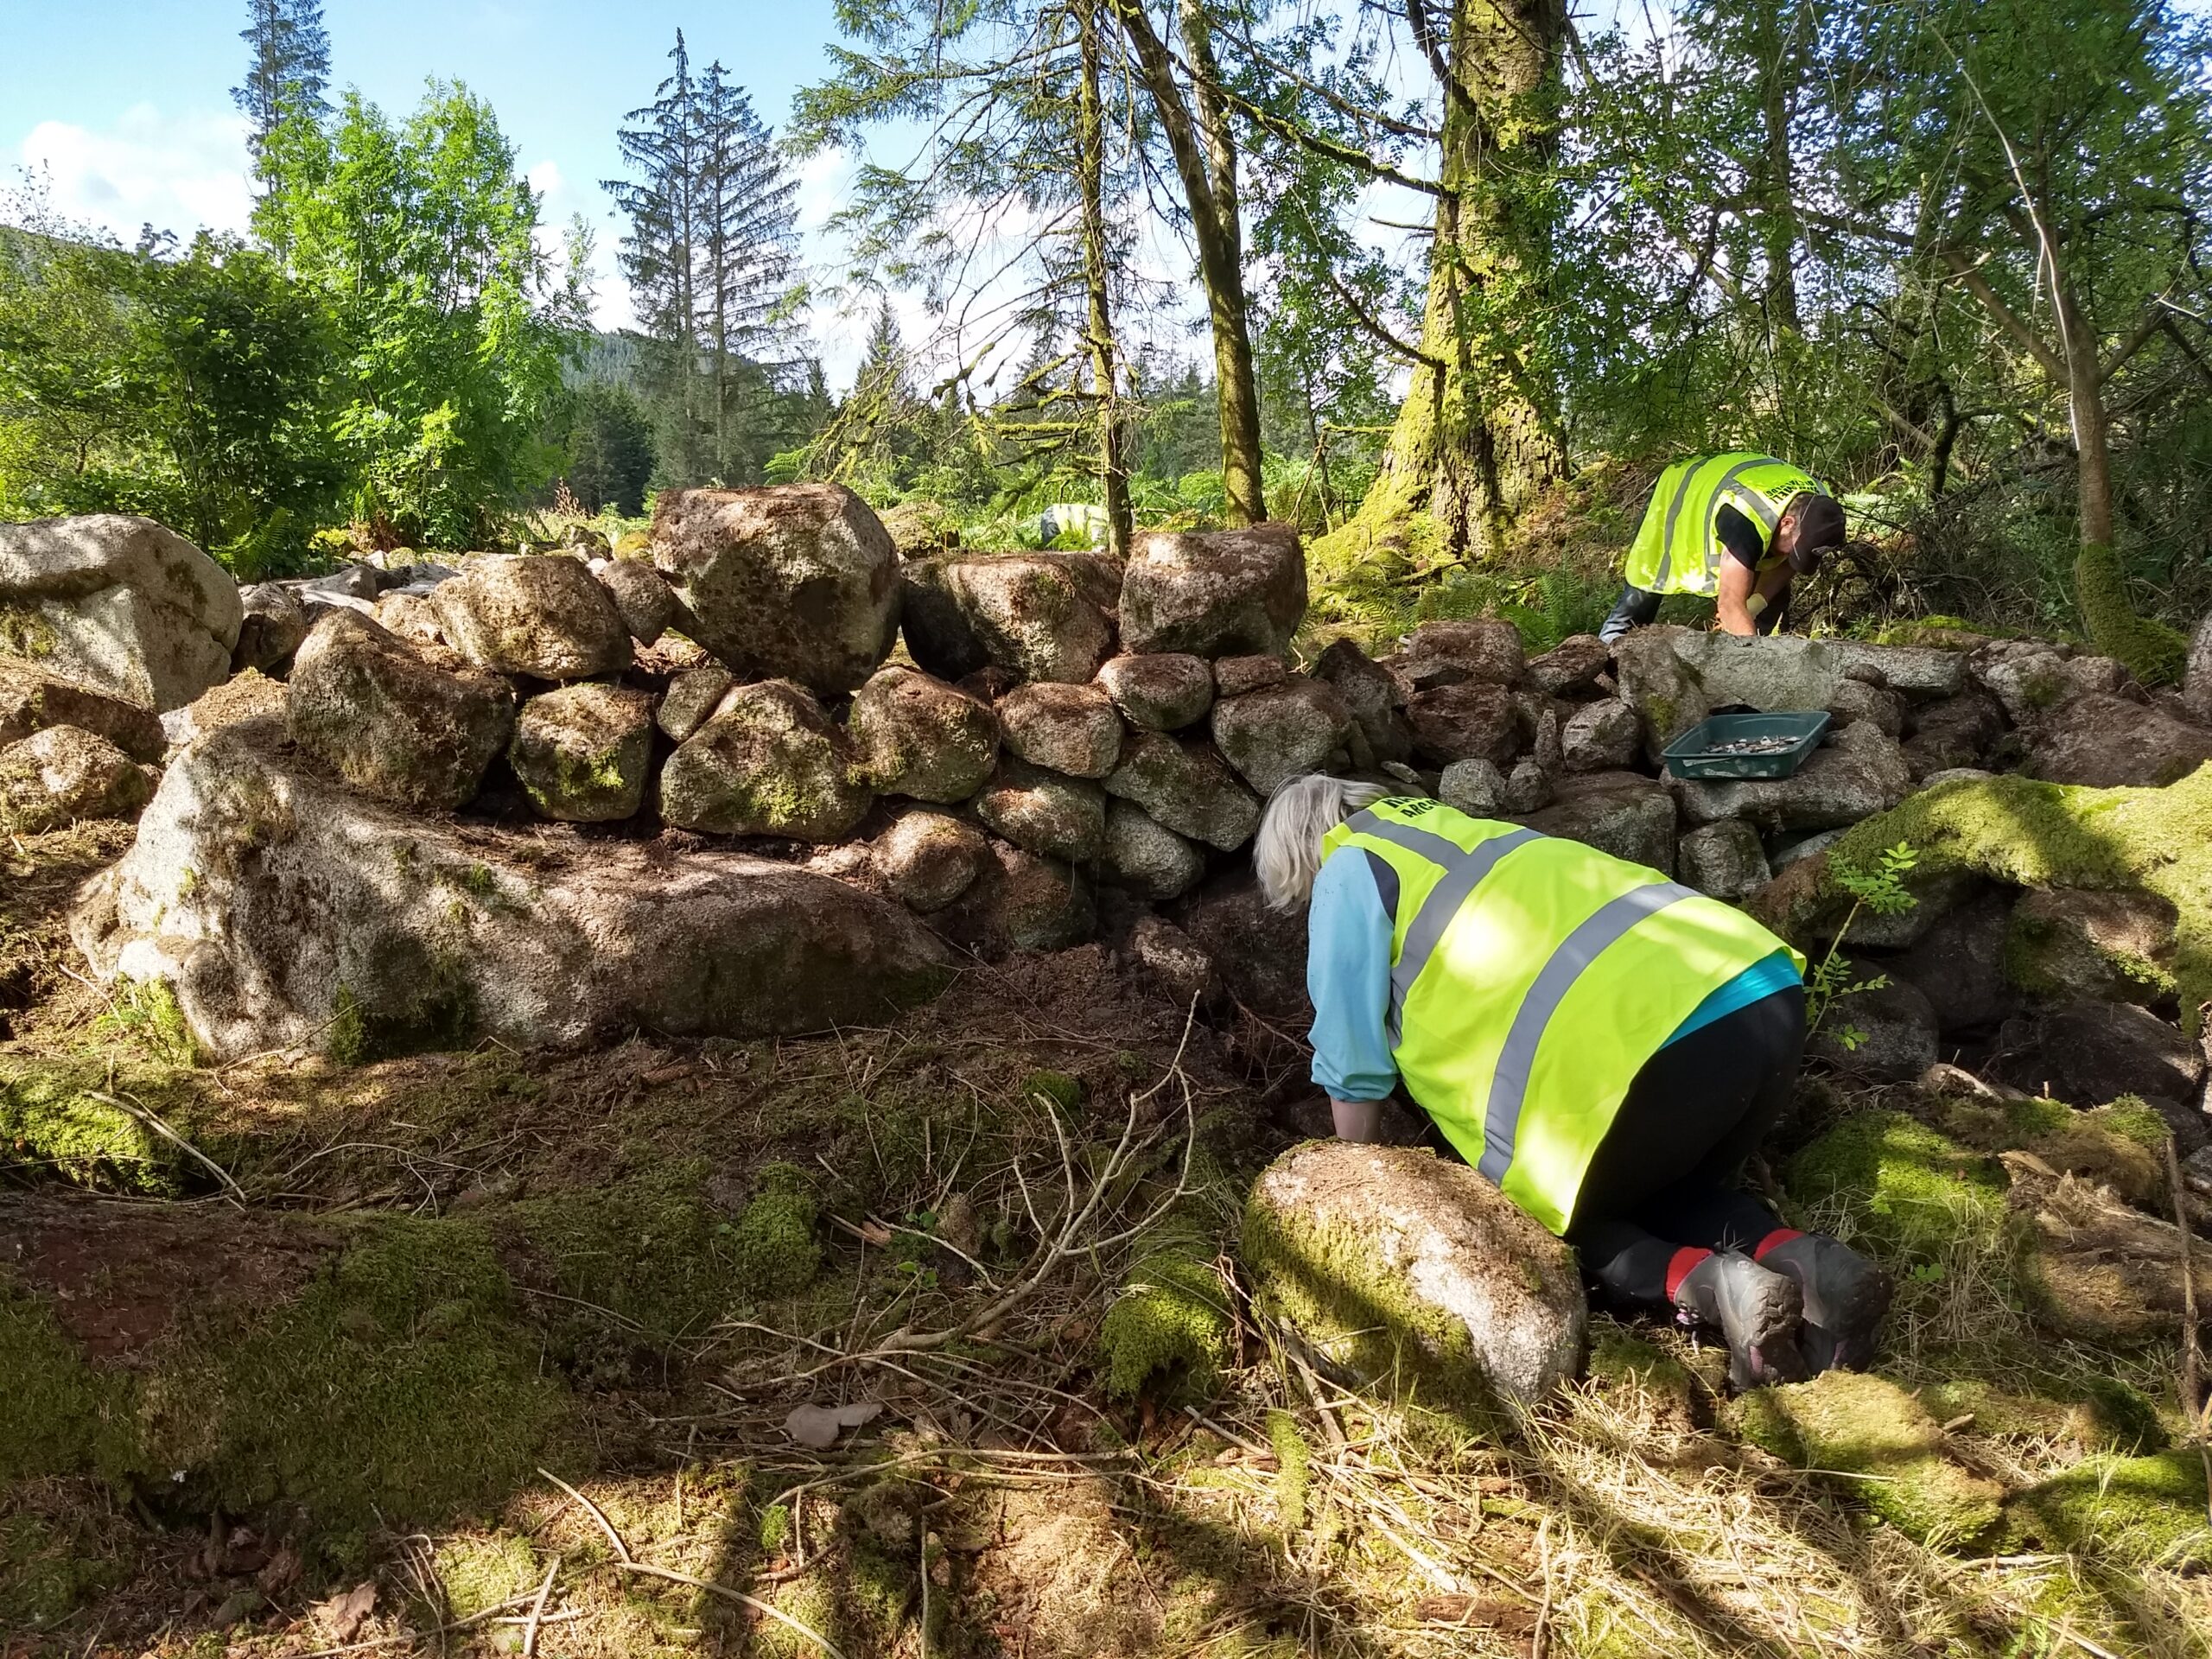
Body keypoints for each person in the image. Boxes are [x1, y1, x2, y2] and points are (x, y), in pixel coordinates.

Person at [1255, 773, 1891, 1389]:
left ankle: (1716, 1286)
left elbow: (1350, 1059)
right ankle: (1805, 1263)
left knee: (1565, 1227)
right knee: (1661, 1189)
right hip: (1758, 995)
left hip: (1648, 1053)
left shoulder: (1349, 869)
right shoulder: (1473, 835)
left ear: (1296, 856)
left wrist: (1357, 1185)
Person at [1599, 452, 1847, 644]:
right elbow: (1729, 604)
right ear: (1787, 523)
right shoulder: (1746, 518)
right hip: (1680, 496)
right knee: (1644, 592)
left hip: (1732, 489)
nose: (1790, 557)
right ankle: (1605, 658)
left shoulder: (1819, 509)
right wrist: (1756, 659)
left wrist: (1758, 601)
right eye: (1793, 549)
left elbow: (1790, 563)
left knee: (1772, 609)